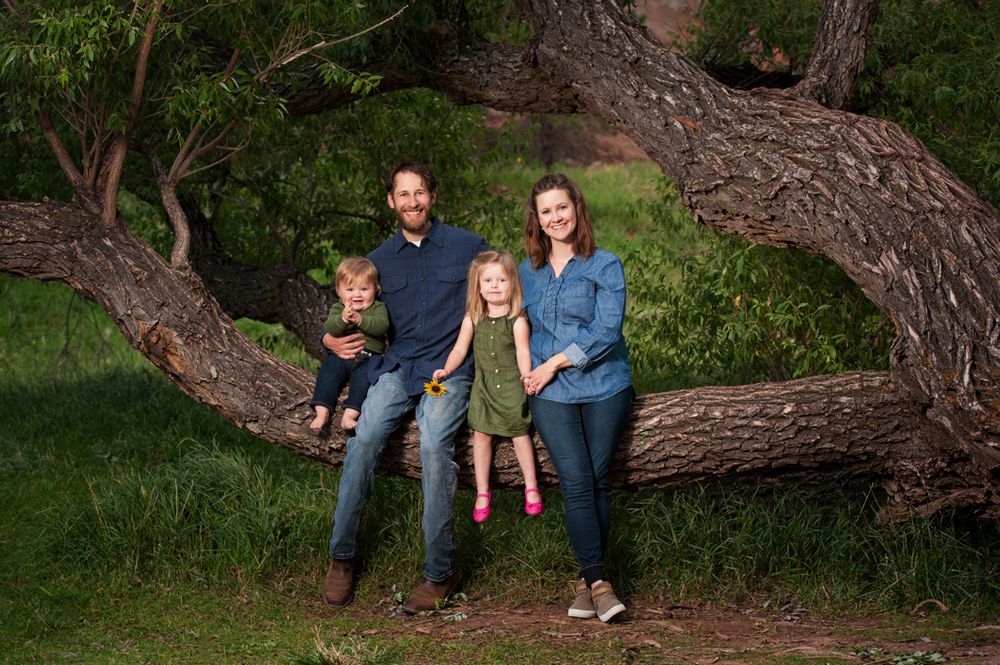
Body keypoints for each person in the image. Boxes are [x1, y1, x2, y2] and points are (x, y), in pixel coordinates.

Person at [321, 162, 489, 614]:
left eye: (419, 193)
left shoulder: (468, 248)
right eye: (403, 194)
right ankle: (342, 556)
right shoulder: (378, 260)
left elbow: (497, 304)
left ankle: (440, 571)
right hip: (396, 370)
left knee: (435, 443)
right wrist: (329, 339)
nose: (412, 201)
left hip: (443, 375)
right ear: (391, 202)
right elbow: (351, 313)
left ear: (432, 196)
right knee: (365, 436)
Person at [519, 173, 634, 623]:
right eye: (546, 211)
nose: (555, 217)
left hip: (605, 385)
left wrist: (553, 363)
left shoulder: (605, 264)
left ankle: (590, 582)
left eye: (561, 208)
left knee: (596, 481)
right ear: (537, 219)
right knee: (576, 482)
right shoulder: (525, 272)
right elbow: (511, 323)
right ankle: (600, 583)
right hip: (550, 394)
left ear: (577, 209)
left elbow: (606, 331)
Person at [433, 250, 543, 523]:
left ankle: (531, 486)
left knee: (519, 434)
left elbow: (522, 352)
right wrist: (447, 368)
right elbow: (460, 348)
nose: (494, 286)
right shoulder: (473, 318)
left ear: (513, 284)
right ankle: (483, 491)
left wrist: (527, 375)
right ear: (478, 287)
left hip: (510, 385)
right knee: (481, 435)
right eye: (488, 281)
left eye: (501, 280)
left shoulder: (517, 320)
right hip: (483, 388)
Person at [310, 257, 388, 431]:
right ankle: (322, 411)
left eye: (364, 289)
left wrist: (360, 319)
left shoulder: (377, 308)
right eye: (350, 289)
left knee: (363, 382)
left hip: (369, 358)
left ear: (376, 289)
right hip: (339, 357)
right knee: (328, 374)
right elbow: (331, 328)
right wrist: (343, 319)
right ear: (339, 291)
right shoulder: (339, 308)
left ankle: (350, 414)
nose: (357, 294)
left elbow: (381, 326)